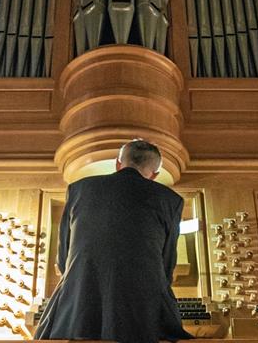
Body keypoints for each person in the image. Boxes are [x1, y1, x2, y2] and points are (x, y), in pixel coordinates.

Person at [34, 139, 193, 342]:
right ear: (154, 175)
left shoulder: (79, 189)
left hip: (80, 308)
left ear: (118, 164)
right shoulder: (171, 199)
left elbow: (64, 259)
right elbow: (166, 265)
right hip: (141, 313)